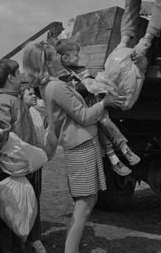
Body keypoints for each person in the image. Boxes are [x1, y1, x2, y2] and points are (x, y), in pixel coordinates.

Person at [22, 41, 121, 253]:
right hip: (81, 147)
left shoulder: (51, 85)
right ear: (47, 61)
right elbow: (85, 116)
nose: (60, 59)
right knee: (85, 205)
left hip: (80, 146)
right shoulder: (57, 87)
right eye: (56, 56)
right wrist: (105, 101)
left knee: (84, 204)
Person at [54, 38, 140, 177]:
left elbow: (90, 81)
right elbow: (76, 91)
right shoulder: (62, 76)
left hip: (95, 103)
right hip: (86, 109)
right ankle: (117, 158)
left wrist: (100, 84)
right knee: (101, 127)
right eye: (75, 55)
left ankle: (122, 152)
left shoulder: (81, 70)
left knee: (105, 124)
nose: (78, 58)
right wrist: (88, 85)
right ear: (64, 57)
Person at [0, 59, 38, 253]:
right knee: (6, 215)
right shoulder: (2, 102)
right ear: (11, 77)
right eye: (18, 73)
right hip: (7, 167)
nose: (22, 75)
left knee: (21, 210)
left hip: (21, 166)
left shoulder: (15, 100)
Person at [20, 82, 48, 253]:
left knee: (35, 198)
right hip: (23, 163)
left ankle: (35, 237)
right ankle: (21, 236)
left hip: (36, 163)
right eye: (29, 93)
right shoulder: (21, 113)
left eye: (34, 93)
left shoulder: (37, 113)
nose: (33, 96)